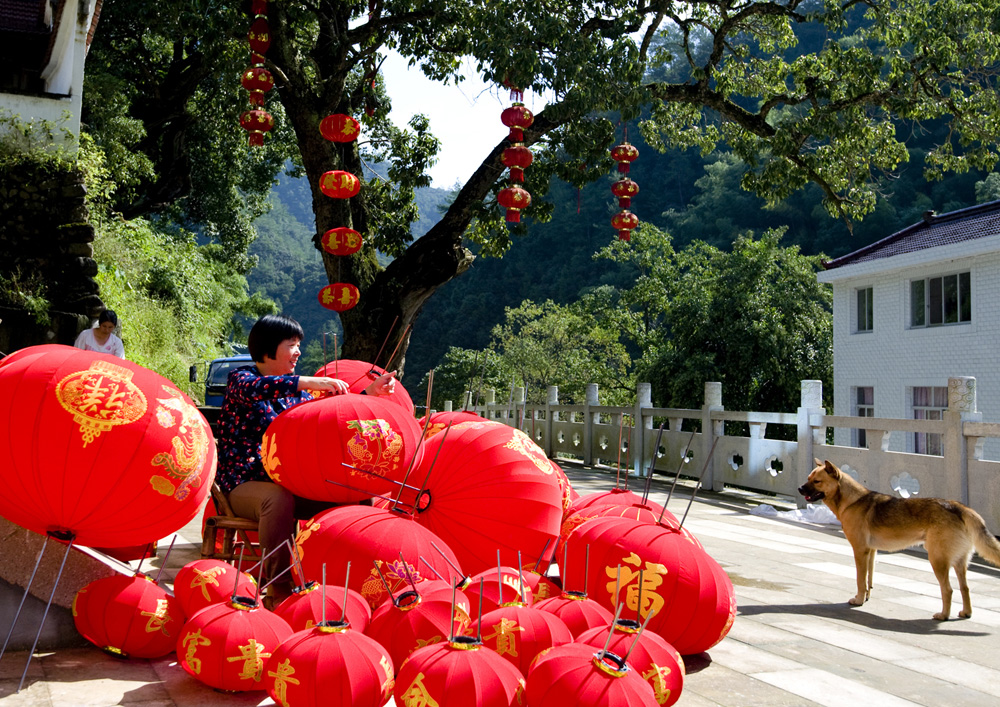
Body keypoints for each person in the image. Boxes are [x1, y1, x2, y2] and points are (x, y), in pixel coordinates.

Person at [215, 314, 396, 607]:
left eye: (299, 345)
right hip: (244, 484)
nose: (298, 352)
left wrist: (368, 393)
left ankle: (348, 578)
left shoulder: (294, 395)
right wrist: (310, 381)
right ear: (268, 349)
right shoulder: (242, 378)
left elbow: (323, 419)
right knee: (277, 499)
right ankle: (279, 588)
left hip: (291, 483)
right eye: (292, 345)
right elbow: (257, 389)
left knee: (355, 498)